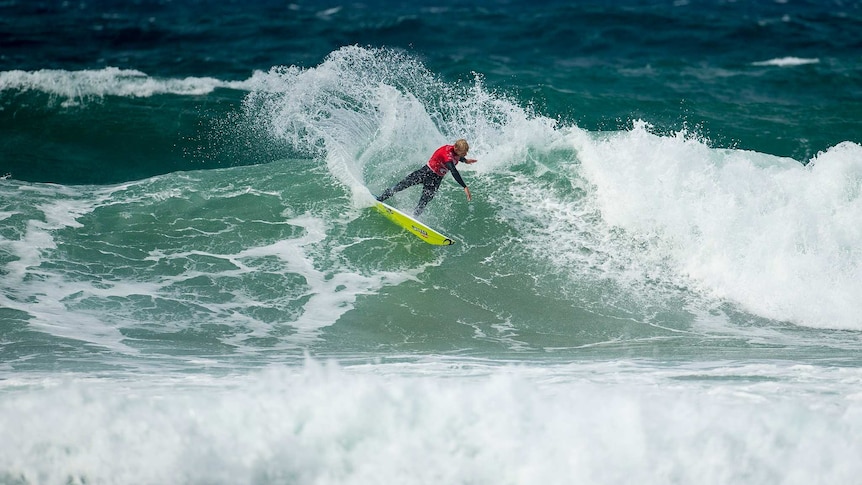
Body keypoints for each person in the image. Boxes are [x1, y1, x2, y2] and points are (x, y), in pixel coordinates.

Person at [376, 139, 478, 216]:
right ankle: (379, 199)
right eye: (463, 152)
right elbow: (453, 170)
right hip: (425, 173)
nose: (465, 154)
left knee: (424, 201)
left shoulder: (456, 152)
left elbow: (458, 156)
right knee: (401, 186)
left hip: (436, 179)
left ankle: (414, 217)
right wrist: (464, 187)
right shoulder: (446, 154)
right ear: (456, 148)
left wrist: (465, 160)